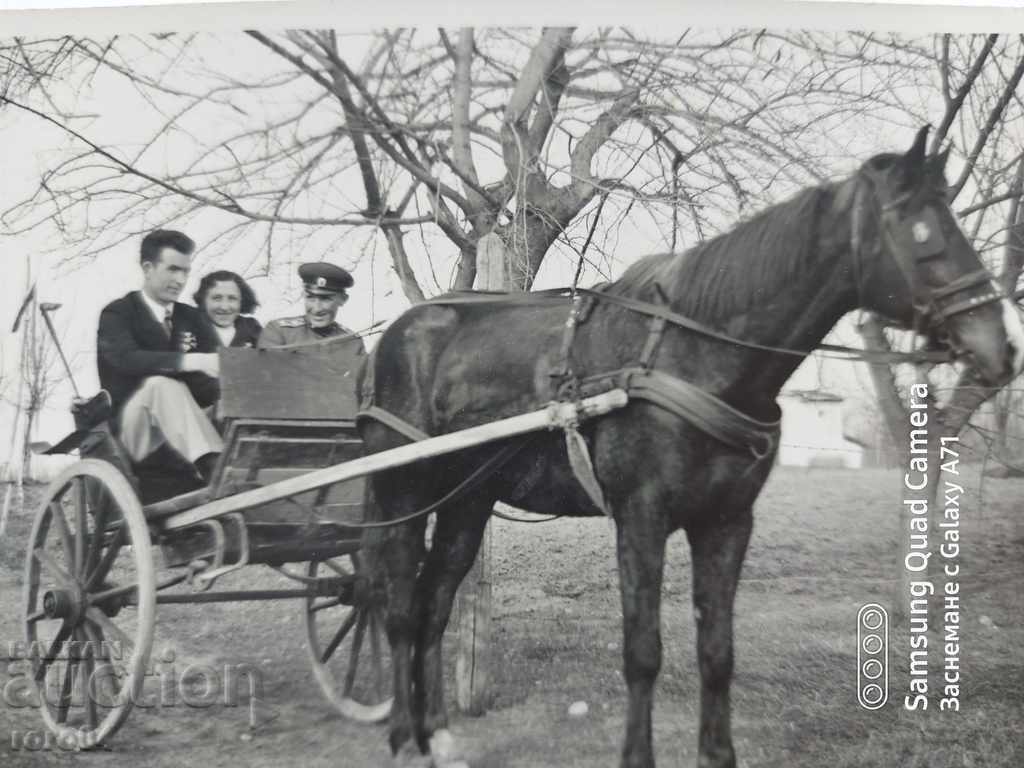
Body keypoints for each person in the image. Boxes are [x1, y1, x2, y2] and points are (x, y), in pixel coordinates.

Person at [96, 229, 223, 482]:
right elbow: (127, 359)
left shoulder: (193, 317)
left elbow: (209, 382)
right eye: (172, 269)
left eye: (185, 271)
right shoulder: (118, 313)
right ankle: (215, 469)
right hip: (133, 436)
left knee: (228, 394)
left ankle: (238, 462)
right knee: (160, 386)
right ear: (148, 268)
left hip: (184, 432)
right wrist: (191, 361)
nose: (180, 280)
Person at [258, 262, 366, 361]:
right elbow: (268, 372)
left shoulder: (353, 342)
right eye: (310, 297)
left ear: (343, 299)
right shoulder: (279, 331)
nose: (317, 308)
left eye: (325, 299)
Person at [193, 270, 262, 348]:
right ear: (203, 300)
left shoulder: (252, 329)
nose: (224, 307)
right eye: (217, 298)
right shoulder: (189, 327)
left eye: (232, 298)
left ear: (242, 301)